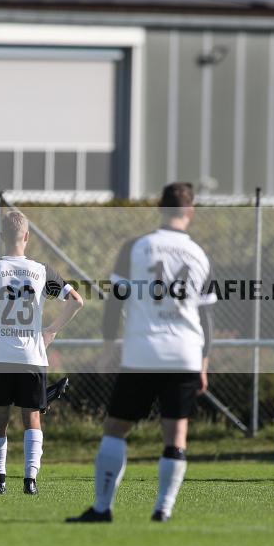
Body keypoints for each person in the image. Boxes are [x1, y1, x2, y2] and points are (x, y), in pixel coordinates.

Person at [67, 182, 216, 523]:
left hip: (142, 351)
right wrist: (203, 364)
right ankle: (163, 510)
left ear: (159, 209)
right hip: (184, 354)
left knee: (116, 428)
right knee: (176, 435)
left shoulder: (137, 247)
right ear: (190, 212)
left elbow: (114, 302)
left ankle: (102, 508)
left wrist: (107, 347)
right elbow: (206, 318)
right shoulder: (199, 254)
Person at [0, 210, 83, 496]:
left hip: (1, 357)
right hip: (32, 357)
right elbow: (76, 301)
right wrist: (51, 330)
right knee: (32, 417)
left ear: (2, 237)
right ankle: (30, 480)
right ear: (27, 237)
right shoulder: (42, 271)